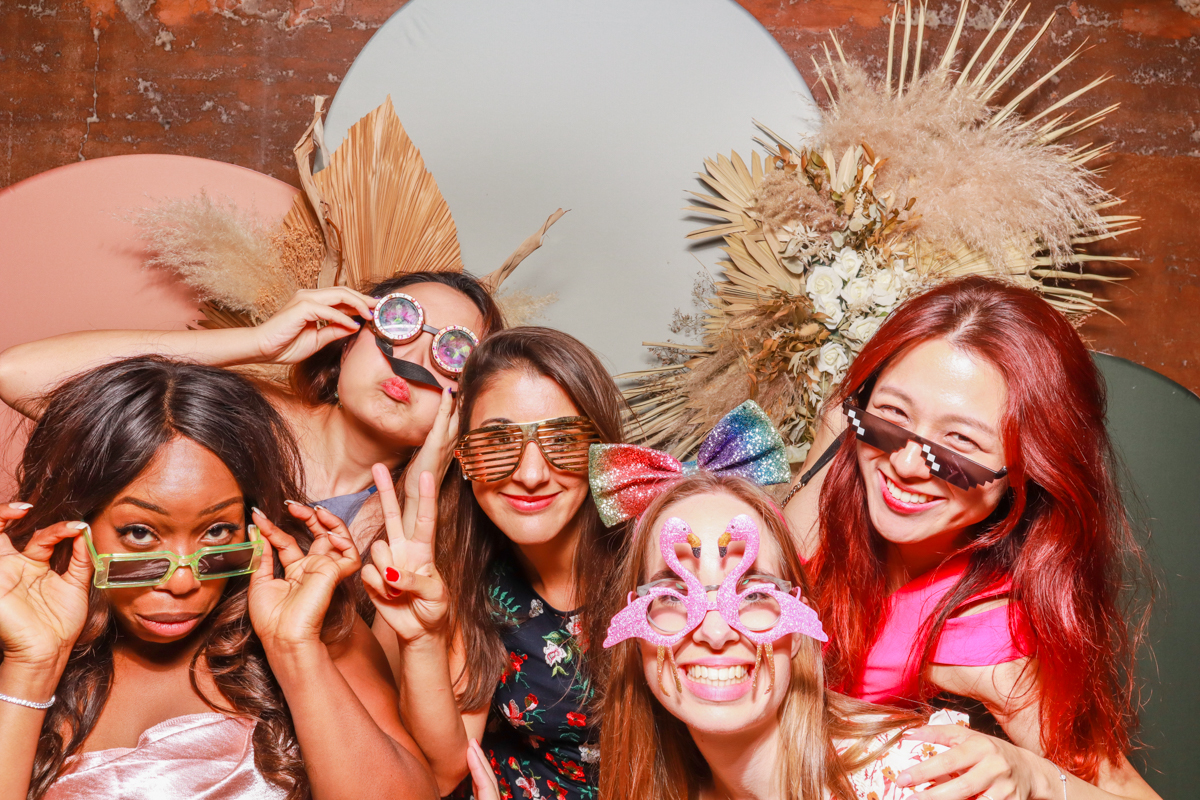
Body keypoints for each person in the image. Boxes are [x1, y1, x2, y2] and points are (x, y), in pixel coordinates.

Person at [782, 276, 1159, 799]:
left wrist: (1031, 775)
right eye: (893, 415)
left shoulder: (983, 628)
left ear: (1027, 469)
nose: (906, 464)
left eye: (958, 444)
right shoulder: (840, 445)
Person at [0, 357, 436, 800]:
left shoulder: (315, 622)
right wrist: (31, 667)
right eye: (139, 534)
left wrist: (295, 650)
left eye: (217, 531)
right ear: (75, 519)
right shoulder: (17, 632)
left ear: (253, 522)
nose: (184, 581)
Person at [0, 272, 503, 549]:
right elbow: (20, 376)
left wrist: (423, 495)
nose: (413, 358)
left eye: (453, 354)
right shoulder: (236, 414)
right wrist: (257, 343)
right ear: (348, 339)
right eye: (398, 324)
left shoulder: (455, 519)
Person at [360, 327, 625, 799]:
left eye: (562, 440)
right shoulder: (471, 576)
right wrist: (422, 638)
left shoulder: (661, 554)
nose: (530, 475)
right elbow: (443, 771)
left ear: (599, 448)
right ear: (461, 459)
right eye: (495, 444)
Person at [596, 469, 961, 800]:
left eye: (753, 593)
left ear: (800, 626)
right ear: (635, 631)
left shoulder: (918, 778)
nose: (716, 631)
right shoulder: (659, 786)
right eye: (671, 597)